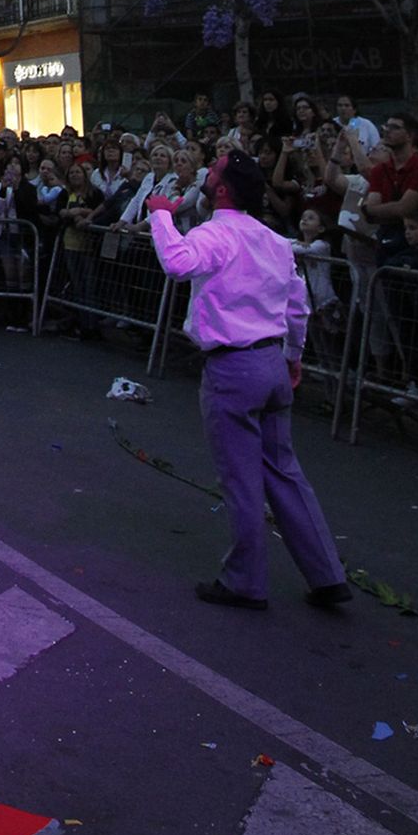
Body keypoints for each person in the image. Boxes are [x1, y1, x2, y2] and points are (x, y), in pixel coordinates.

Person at [146, 151, 348, 611]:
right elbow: (298, 304)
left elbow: (177, 263)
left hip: (232, 367)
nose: (205, 173)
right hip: (271, 361)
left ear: (221, 189)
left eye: (211, 170)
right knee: (285, 472)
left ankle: (245, 580)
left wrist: (161, 217)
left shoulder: (215, 233)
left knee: (242, 480)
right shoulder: (276, 242)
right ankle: (326, 573)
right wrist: (293, 356)